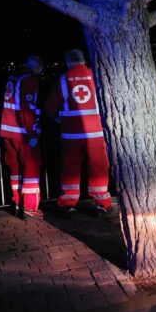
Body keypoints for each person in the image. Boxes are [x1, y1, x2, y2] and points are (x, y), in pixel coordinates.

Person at [44, 49, 112, 212]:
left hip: (71, 134)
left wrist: (57, 118)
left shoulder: (63, 79)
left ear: (67, 62)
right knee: (98, 167)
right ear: (84, 61)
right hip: (95, 133)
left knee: (70, 168)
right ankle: (101, 203)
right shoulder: (96, 77)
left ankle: (68, 204)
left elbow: (49, 107)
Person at [0, 55, 44, 218]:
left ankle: (17, 201)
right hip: (22, 133)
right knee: (31, 168)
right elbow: (27, 109)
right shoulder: (30, 80)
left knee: (15, 169)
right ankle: (30, 207)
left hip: (8, 130)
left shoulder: (14, 76)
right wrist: (32, 133)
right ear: (39, 68)